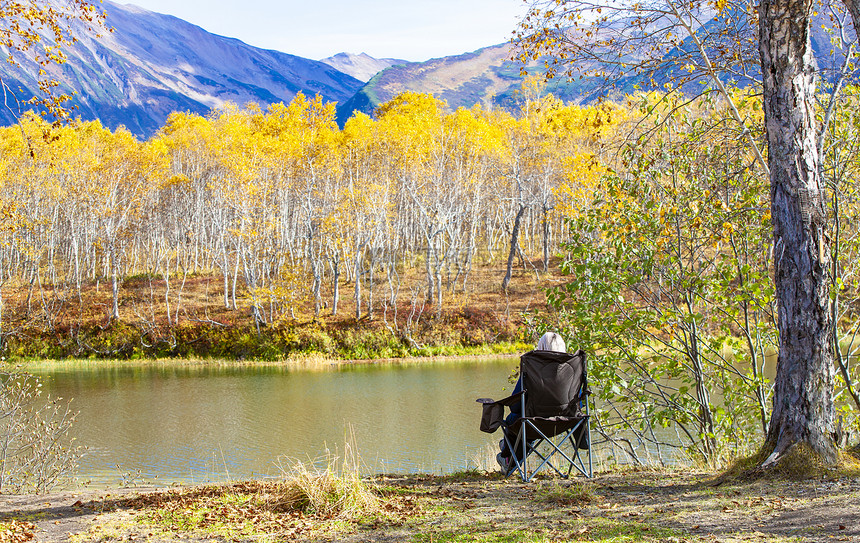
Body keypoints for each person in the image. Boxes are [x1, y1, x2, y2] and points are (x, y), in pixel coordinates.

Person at [496, 331, 566, 474]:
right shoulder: (572, 368)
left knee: (515, 419)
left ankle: (507, 456)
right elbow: (580, 402)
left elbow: (515, 406)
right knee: (524, 423)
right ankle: (508, 457)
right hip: (565, 422)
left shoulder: (532, 368)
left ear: (540, 347)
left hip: (532, 423)